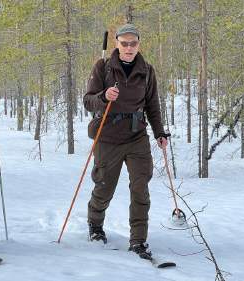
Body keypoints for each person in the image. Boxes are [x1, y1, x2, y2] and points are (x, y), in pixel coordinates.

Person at [83, 23, 169, 260]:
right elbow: (88, 101)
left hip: (136, 136)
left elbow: (152, 105)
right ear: (117, 44)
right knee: (104, 187)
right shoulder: (103, 67)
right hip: (108, 135)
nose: (129, 47)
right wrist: (103, 96)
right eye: (124, 43)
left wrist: (160, 132)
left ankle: (138, 241)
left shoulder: (147, 70)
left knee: (140, 188)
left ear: (139, 44)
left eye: (133, 43)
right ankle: (95, 225)